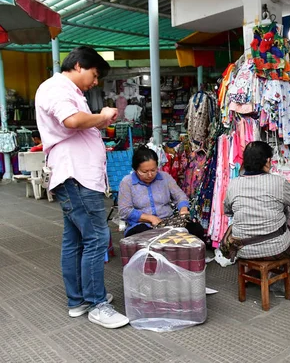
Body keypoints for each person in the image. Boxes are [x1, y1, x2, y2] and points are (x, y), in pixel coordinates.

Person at [35, 46, 129, 329]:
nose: (95, 81)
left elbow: (75, 125)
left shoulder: (69, 91)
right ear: (78, 65)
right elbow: (72, 121)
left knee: (76, 239)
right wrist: (101, 116)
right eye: (95, 74)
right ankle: (96, 303)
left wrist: (97, 121)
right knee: (97, 239)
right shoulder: (58, 88)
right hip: (76, 176)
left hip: (76, 175)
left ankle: (79, 300)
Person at [223, 141, 290, 268]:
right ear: (267, 161)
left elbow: (228, 211)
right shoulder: (278, 182)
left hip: (243, 249)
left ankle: (250, 273)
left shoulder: (233, 184)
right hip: (276, 248)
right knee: (288, 235)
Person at [118, 146, 190, 237]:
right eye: (144, 172)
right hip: (141, 225)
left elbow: (180, 196)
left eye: (153, 170)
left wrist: (183, 208)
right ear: (135, 170)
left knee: (195, 228)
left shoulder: (165, 177)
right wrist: (150, 218)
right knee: (145, 235)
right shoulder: (127, 182)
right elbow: (124, 211)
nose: (150, 175)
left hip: (168, 222)